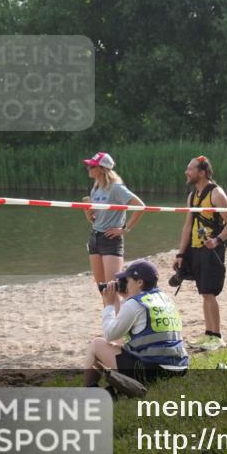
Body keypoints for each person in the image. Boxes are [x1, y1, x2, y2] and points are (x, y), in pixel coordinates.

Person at [83, 260, 188, 388]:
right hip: (180, 368)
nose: (125, 284)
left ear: (139, 282)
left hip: (153, 372)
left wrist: (109, 305)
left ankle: (89, 390)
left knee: (96, 345)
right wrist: (126, 298)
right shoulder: (166, 299)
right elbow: (130, 335)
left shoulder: (135, 304)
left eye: (127, 280)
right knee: (120, 344)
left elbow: (110, 334)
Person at [173, 156, 227, 352]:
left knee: (209, 293)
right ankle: (209, 334)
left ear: (202, 172)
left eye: (190, 169)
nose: (187, 172)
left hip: (212, 251)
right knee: (204, 293)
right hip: (195, 249)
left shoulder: (217, 194)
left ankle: (216, 336)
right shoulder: (192, 196)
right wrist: (181, 254)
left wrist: (217, 240)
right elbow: (187, 226)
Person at [82, 152, 145, 298]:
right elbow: (95, 219)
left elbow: (140, 206)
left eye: (92, 165)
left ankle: (126, 317)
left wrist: (125, 229)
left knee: (113, 289)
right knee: (103, 290)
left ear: (102, 168)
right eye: (88, 165)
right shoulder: (95, 189)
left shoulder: (116, 188)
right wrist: (88, 214)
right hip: (95, 238)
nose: (88, 168)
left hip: (111, 239)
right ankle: (109, 321)